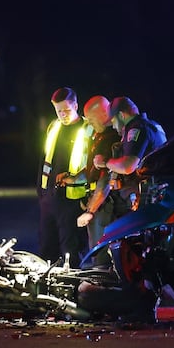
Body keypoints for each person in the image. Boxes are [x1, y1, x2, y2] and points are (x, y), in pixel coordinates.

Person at [37, 87, 92, 267]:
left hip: (74, 199)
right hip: (50, 196)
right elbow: (45, 159)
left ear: (76, 105)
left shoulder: (87, 129)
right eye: (58, 111)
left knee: (71, 249)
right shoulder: (54, 127)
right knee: (46, 246)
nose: (63, 115)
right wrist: (41, 190)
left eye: (67, 110)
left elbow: (91, 166)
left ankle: (73, 290)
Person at [98, 96, 166, 214]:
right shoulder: (152, 125)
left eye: (113, 121)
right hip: (161, 191)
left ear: (121, 115)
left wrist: (105, 162)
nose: (113, 126)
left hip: (150, 195)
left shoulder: (136, 129)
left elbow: (128, 166)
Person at [76, 96, 121, 267]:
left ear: (104, 114)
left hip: (104, 206)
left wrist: (90, 211)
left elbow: (105, 180)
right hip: (98, 203)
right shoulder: (99, 136)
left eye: (91, 119)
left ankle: (101, 289)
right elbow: (93, 172)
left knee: (100, 253)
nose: (89, 123)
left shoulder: (111, 139)